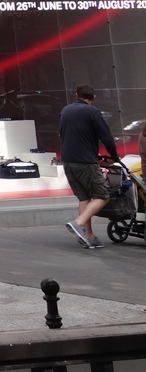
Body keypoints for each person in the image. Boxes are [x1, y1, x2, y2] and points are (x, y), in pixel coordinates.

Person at [58, 84, 120, 249]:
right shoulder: (92, 112)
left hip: (68, 161)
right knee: (102, 196)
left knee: (84, 197)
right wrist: (114, 156)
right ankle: (78, 223)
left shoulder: (65, 111)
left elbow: (65, 135)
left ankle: (88, 237)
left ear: (76, 94)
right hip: (85, 162)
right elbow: (106, 136)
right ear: (94, 97)